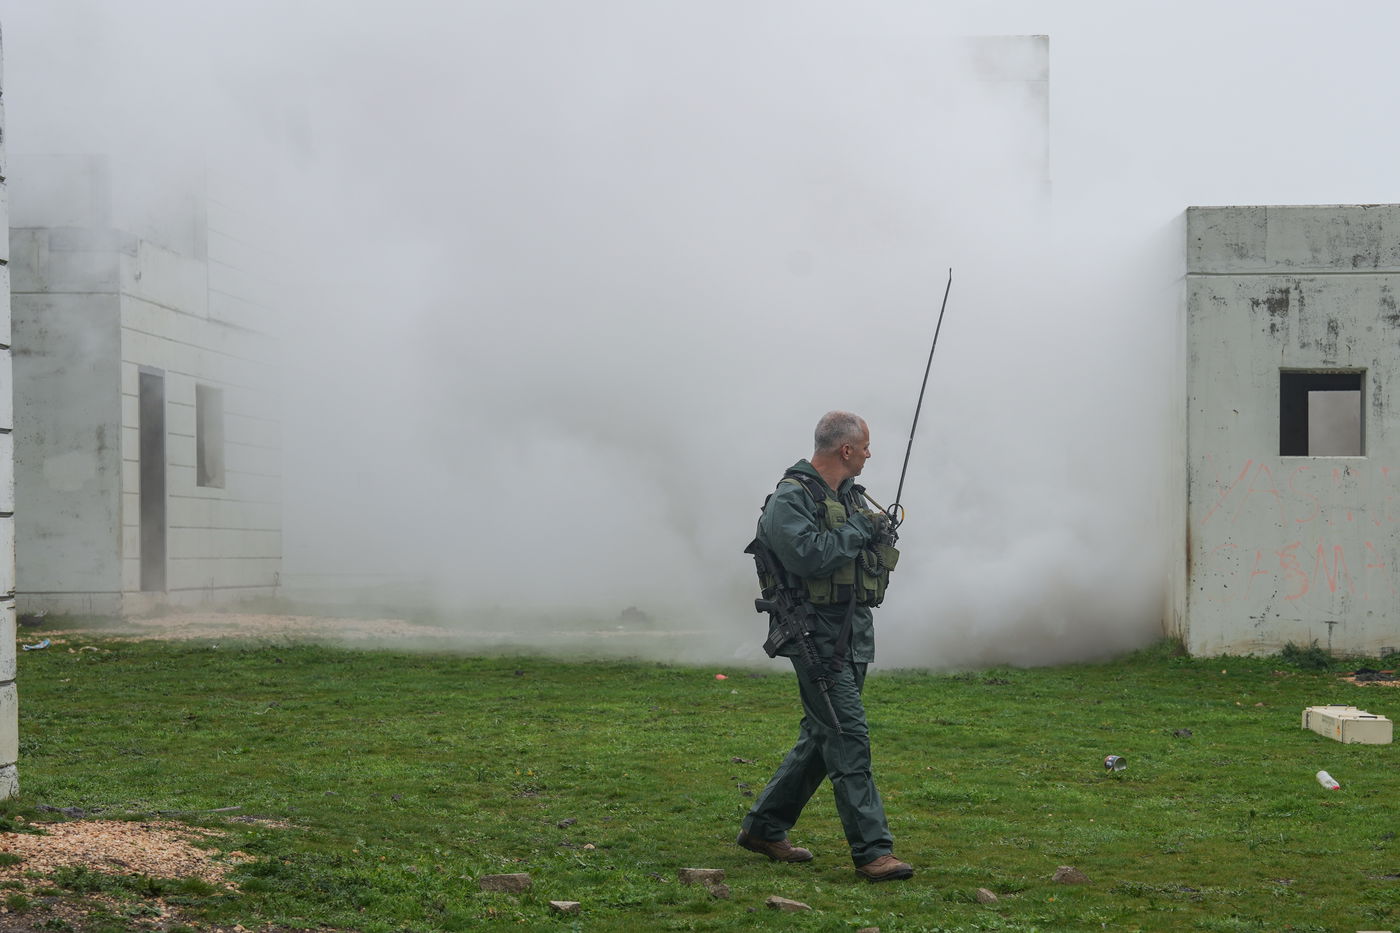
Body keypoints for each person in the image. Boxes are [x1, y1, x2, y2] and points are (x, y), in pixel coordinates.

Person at [736, 411, 914, 882]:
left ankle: (763, 827)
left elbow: (857, 557)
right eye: (866, 446)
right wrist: (860, 532)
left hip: (851, 636)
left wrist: (879, 535)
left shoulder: (850, 497)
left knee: (821, 737)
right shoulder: (790, 499)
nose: (871, 455)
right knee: (846, 734)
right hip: (814, 637)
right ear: (846, 450)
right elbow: (810, 556)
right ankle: (873, 852)